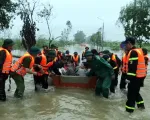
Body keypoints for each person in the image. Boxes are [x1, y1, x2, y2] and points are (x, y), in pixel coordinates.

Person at [124, 37, 146, 113]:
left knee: (130, 95)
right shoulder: (138, 51)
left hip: (135, 78)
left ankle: (129, 112)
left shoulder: (133, 52)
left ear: (129, 43)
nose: (125, 46)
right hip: (140, 77)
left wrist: (128, 79)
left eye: (126, 44)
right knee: (136, 93)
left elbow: (132, 67)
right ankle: (141, 107)